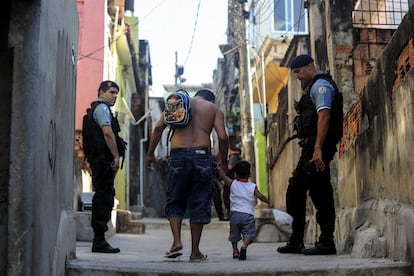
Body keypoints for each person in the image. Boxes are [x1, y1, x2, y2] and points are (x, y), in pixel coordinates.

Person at [146, 88, 229, 261]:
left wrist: (150, 154)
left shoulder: (178, 103)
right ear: (211, 99)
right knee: (199, 201)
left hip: (178, 156)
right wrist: (224, 160)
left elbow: (158, 128)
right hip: (202, 156)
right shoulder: (213, 109)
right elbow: (223, 137)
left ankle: (176, 242)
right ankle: (195, 252)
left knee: (175, 199)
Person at [277, 54, 342, 255]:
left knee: (320, 193)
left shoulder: (321, 86)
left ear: (310, 66)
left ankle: (326, 242)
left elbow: (324, 116)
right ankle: (297, 241)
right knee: (296, 191)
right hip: (311, 148)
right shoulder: (312, 87)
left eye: (298, 72)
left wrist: (318, 149)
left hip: (318, 148)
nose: (297, 76)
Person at [83, 80, 126, 253]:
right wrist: (115, 157)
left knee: (103, 197)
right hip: (103, 161)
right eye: (111, 92)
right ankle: (99, 241)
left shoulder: (97, 109)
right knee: (104, 199)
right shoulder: (102, 109)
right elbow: (107, 133)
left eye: (116, 93)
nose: (115, 96)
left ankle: (99, 240)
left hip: (99, 161)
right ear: (101, 92)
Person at [217, 160, 273, 260]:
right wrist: (268, 202)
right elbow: (260, 196)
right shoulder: (252, 186)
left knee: (234, 234)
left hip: (234, 215)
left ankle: (235, 251)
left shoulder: (232, 183)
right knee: (249, 233)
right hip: (247, 215)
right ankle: (244, 246)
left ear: (235, 174)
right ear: (250, 174)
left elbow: (223, 176)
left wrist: (220, 168)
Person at [222, 146, 242, 218]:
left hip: (230, 180)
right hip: (236, 180)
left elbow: (229, 167)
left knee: (227, 197)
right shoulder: (239, 158)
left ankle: (230, 214)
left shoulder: (233, 157)